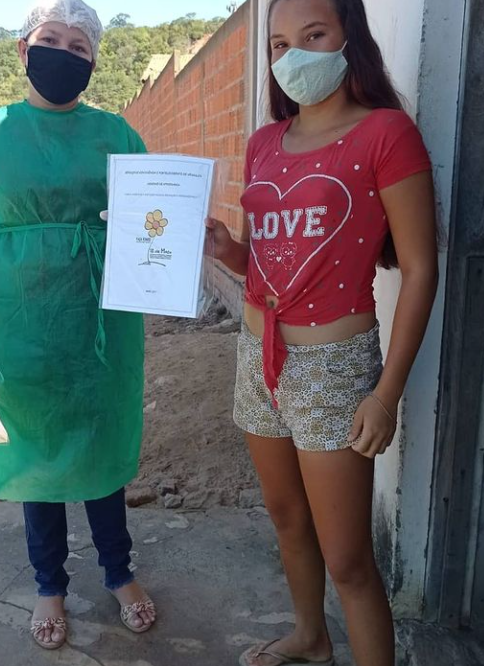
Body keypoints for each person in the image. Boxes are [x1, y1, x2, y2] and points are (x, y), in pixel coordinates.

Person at [207, 1, 438, 665]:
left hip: (334, 369)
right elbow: (266, 260)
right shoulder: (264, 143)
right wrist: (227, 251)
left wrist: (386, 394)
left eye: (314, 35)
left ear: (348, 37)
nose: (294, 56)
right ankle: (311, 636)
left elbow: (421, 270)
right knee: (287, 519)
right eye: (279, 44)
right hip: (258, 356)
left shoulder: (385, 134)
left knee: (350, 559)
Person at [0, 0, 156, 650]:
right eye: (51, 39)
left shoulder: (116, 135)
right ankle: (48, 584)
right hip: (20, 321)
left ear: (94, 62)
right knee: (37, 451)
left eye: (80, 47)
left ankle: (118, 572)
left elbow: (153, 217)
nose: (65, 52)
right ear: (24, 49)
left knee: (100, 445)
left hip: (102, 319)